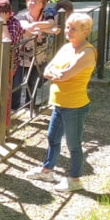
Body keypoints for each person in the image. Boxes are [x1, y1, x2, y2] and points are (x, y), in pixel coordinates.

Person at [26, 13, 97, 192]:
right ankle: (47, 170)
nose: (68, 31)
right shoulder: (66, 48)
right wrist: (57, 74)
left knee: (73, 144)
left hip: (75, 105)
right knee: (52, 138)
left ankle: (75, 180)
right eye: (67, 27)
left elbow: (64, 75)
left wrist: (58, 74)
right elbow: (47, 70)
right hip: (58, 102)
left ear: (86, 31)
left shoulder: (87, 52)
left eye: (73, 29)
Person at [14, 0, 56, 110]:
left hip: (39, 57)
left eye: (36, 1)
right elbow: (24, 27)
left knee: (33, 83)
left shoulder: (47, 14)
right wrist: (45, 29)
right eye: (30, 0)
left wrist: (34, 26)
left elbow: (51, 23)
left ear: (42, 4)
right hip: (21, 56)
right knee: (16, 84)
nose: (32, 3)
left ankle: (29, 107)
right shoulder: (21, 15)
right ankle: (14, 108)